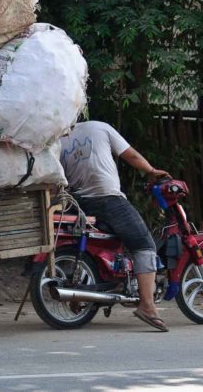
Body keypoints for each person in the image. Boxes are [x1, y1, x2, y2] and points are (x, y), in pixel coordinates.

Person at [59, 120, 170, 332]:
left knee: (109, 242)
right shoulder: (101, 127)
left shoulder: (59, 139)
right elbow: (131, 155)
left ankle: (94, 289)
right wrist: (151, 170)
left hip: (77, 203)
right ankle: (147, 305)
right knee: (144, 245)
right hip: (108, 199)